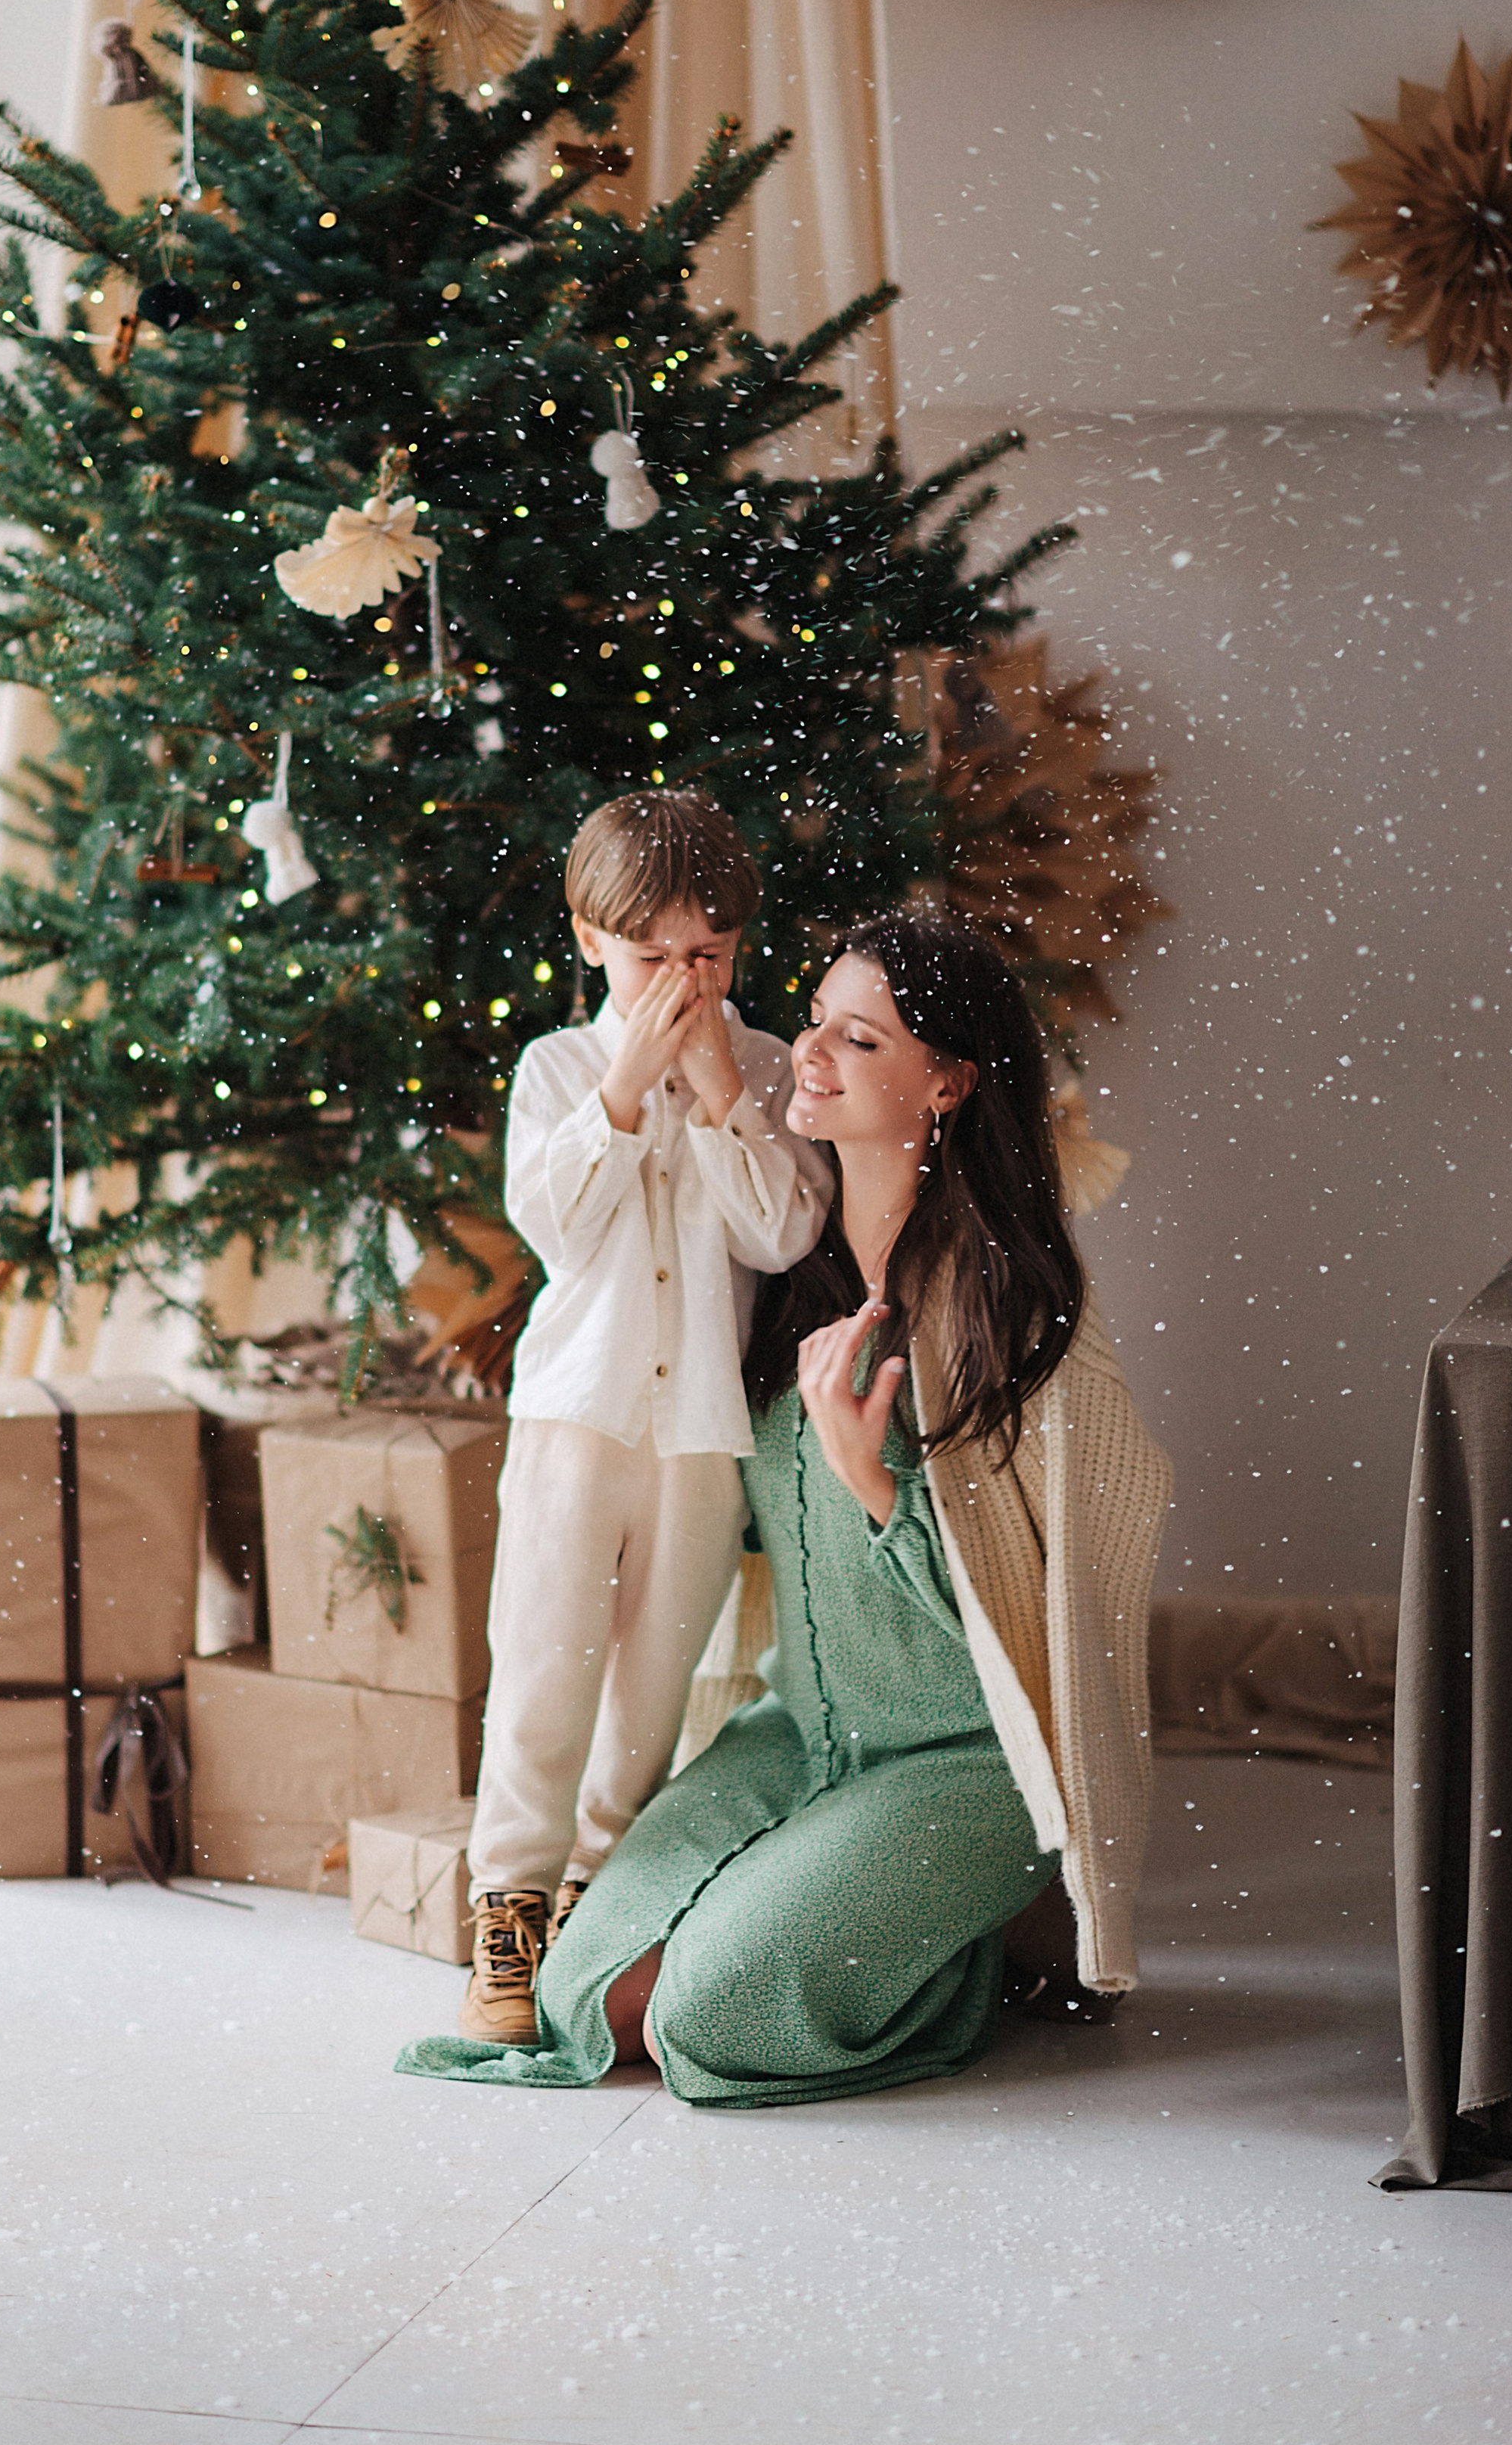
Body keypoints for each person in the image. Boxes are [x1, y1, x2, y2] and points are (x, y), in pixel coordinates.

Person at [399, 911, 1169, 2103]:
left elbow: (1064, 1591)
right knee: (589, 1995)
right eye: (814, 1021)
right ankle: (884, 1915)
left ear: (949, 1081)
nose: (807, 1051)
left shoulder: (1010, 1303)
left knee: (708, 2014)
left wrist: (878, 1487)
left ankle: (984, 1940)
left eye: (859, 1039)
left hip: (966, 1760)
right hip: (798, 1728)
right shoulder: (777, 1270)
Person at [451, 788, 830, 2043]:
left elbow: (783, 1232)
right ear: (590, 938)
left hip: (700, 1437)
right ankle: (507, 1912)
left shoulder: (765, 1067)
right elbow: (556, 1230)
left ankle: (597, 1902)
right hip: (576, 1421)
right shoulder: (558, 1069)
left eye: (707, 953)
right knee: (544, 1667)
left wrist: (721, 1092)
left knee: (651, 1691)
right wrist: (625, 1086)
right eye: (652, 953)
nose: (682, 979)